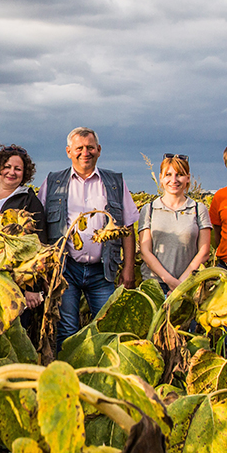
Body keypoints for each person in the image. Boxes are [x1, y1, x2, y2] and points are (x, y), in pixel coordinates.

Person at [37, 127, 139, 349]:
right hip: (66, 269)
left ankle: (103, 375)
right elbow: (40, 227)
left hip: (103, 269)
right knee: (67, 329)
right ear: (69, 151)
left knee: (108, 328)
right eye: (79, 148)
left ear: (99, 150)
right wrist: (43, 269)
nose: (85, 152)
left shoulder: (114, 182)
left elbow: (128, 227)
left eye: (90, 147)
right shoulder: (53, 182)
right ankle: (71, 375)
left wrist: (128, 268)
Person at [0, 144, 49, 319]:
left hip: (11, 277)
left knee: (10, 326)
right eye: (7, 167)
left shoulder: (29, 199)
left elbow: (38, 245)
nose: (11, 172)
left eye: (18, 169)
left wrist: (30, 287)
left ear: (25, 173)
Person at [138, 154, 212, 293]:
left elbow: (204, 252)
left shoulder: (198, 208)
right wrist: (170, 281)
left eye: (179, 175)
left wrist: (181, 283)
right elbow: (145, 252)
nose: (174, 180)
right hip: (155, 285)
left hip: (189, 283)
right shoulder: (149, 209)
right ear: (160, 177)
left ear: (188, 178)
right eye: (168, 174)